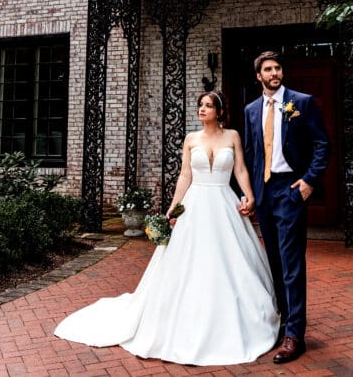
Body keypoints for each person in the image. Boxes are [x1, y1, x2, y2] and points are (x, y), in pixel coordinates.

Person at [54, 90, 279, 366]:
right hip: (195, 204)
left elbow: (240, 170)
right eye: (200, 105)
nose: (202, 109)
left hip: (224, 203)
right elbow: (185, 174)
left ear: (219, 111)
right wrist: (174, 206)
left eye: (208, 106)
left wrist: (250, 196)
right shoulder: (191, 139)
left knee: (232, 260)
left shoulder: (232, 136)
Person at [241, 51, 329, 364]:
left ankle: (295, 335)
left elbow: (321, 144)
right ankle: (281, 323)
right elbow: (251, 155)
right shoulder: (251, 110)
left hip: (290, 189)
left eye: (278, 68)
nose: (275, 73)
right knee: (274, 262)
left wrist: (308, 182)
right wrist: (248, 194)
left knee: (292, 264)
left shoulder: (300, 102)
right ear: (259, 76)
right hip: (264, 193)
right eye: (268, 69)